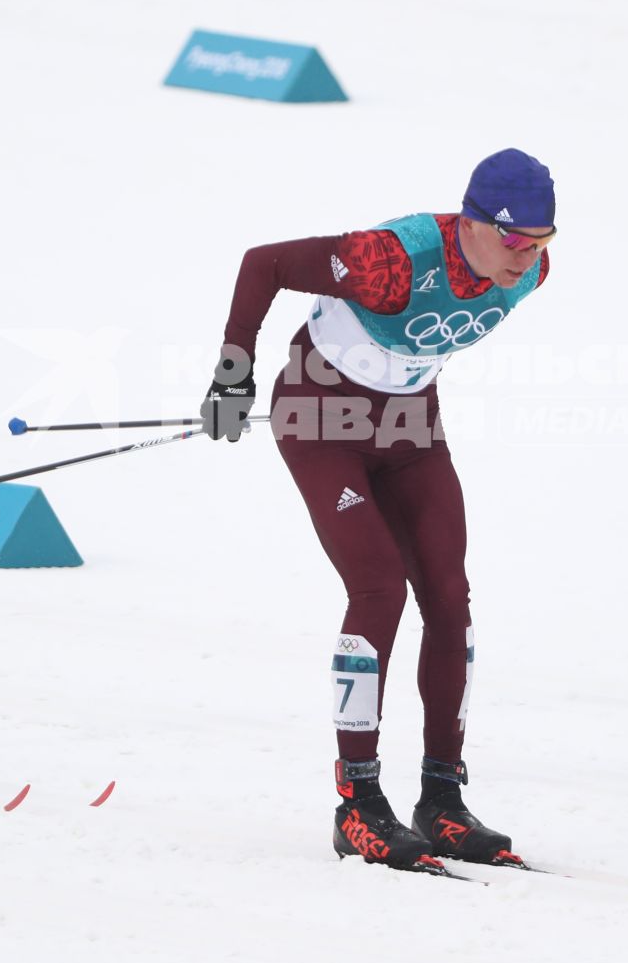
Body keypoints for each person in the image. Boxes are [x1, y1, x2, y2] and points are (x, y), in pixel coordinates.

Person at [200, 148, 556, 874]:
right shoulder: (391, 260)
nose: (529, 258)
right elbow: (261, 264)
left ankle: (441, 800)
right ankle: (357, 804)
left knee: (449, 597)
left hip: (409, 429)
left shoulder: (531, 273)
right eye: (517, 239)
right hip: (320, 416)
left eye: (544, 240)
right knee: (378, 586)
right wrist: (234, 372)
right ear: (474, 224)